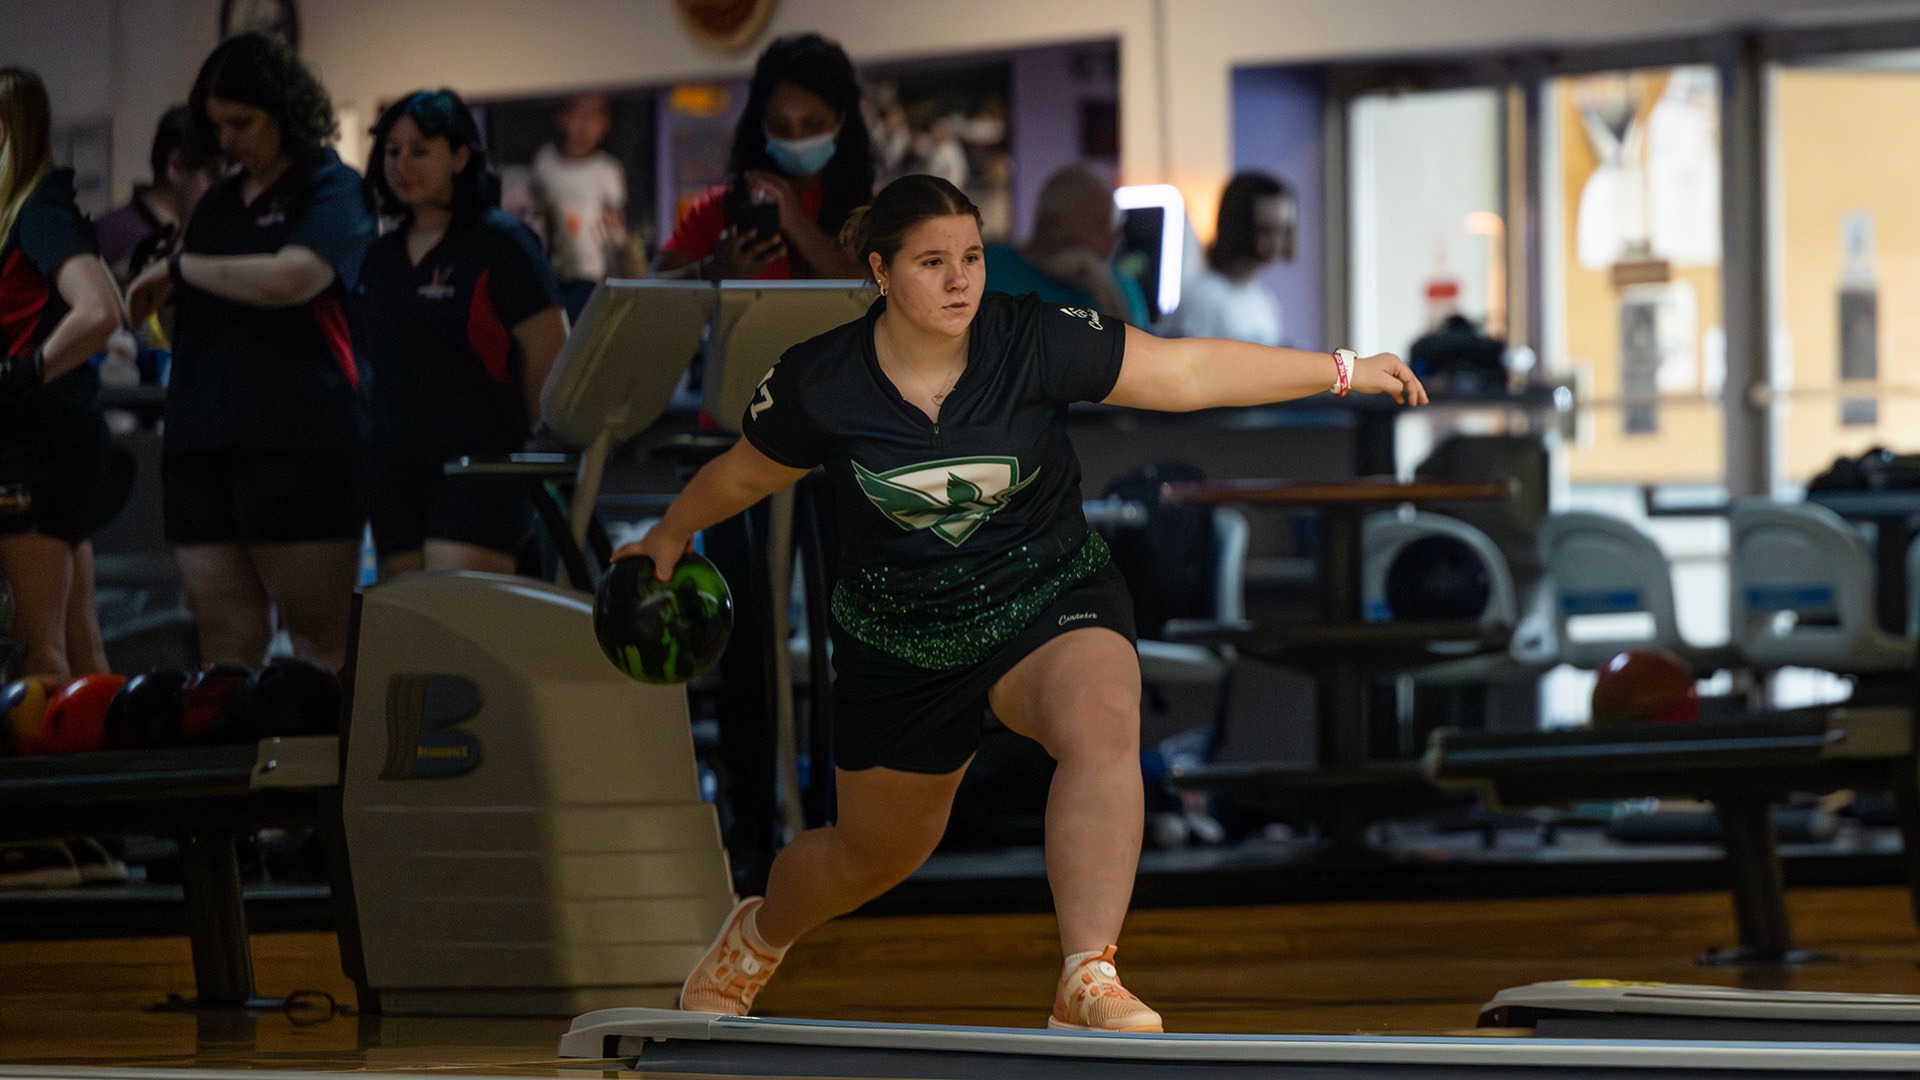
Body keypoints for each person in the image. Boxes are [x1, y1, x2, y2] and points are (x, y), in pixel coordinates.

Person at [623, 174, 1425, 1031]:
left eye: (971, 257)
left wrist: (1343, 369)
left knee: (1103, 716)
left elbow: (1184, 369)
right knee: (873, 856)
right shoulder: (821, 379)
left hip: (1046, 593)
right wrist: (667, 535)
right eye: (932, 262)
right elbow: (743, 474)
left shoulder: (1034, 337)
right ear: (881, 272)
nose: (960, 280)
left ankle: (1088, 976)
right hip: (902, 639)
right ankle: (758, 934)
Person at [125, 32, 376, 672]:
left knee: (321, 641)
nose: (228, 139)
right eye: (217, 126)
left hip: (298, 441)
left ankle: (323, 743)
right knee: (226, 643)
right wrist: (165, 292)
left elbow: (292, 278)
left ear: (284, 112)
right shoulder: (216, 203)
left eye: (242, 122)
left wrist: (183, 270)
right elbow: (190, 318)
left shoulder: (332, 188)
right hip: (203, 438)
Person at [353, 89, 566, 579]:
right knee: (409, 615)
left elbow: (549, 354)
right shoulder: (380, 257)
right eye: (392, 151)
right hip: (395, 466)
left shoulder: (501, 242)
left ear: (460, 156)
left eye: (419, 150)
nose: (402, 164)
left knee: (456, 605)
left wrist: (545, 455)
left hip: (482, 464)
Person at [0, 66, 124, 680]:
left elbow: (100, 311)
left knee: (39, 649)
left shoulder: (39, 210)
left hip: (37, 446)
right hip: (55, 440)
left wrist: (22, 373)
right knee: (78, 645)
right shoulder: (34, 210)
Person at [651, 33, 871, 282]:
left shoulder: (867, 212)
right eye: (780, 125)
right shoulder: (721, 207)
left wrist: (796, 222)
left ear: (842, 120)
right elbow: (651, 289)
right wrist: (711, 270)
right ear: (761, 124)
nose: (796, 137)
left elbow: (869, 290)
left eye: (813, 123)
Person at [984, 164, 1151, 329]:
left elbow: (1139, 345)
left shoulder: (1121, 285)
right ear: (1054, 227)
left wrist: (1103, 291)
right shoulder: (989, 269)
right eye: (1099, 226)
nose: (1113, 240)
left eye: (1114, 229)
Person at [1163, 172, 1294, 346]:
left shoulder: (1265, 302)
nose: (1276, 243)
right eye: (1264, 231)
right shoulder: (1202, 299)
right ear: (1238, 228)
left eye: (1282, 231)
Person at [94, 106, 221, 282]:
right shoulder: (119, 236)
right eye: (214, 175)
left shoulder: (188, 233)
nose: (220, 189)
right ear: (176, 165)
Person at [531, 93, 626, 316]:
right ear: (563, 118)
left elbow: (616, 226)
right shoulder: (545, 161)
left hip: (590, 275)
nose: (586, 125)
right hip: (550, 271)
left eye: (595, 116)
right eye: (580, 115)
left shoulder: (607, 170)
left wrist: (616, 235)